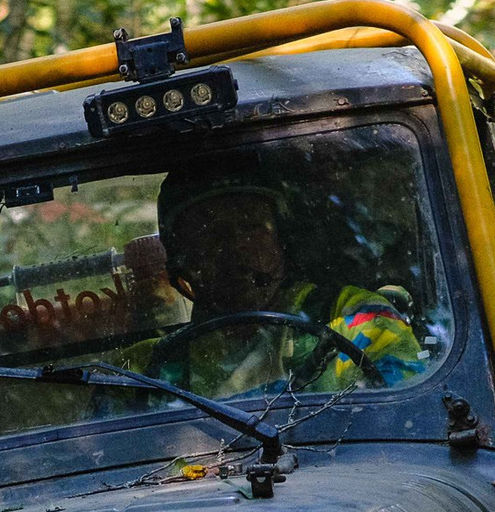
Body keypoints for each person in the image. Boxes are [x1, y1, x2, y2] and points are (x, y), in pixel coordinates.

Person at [142, 163, 429, 395]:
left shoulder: (356, 321)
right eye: (209, 233)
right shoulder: (148, 369)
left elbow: (407, 418)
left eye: (251, 226)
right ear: (183, 259)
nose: (234, 246)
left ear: (283, 240)